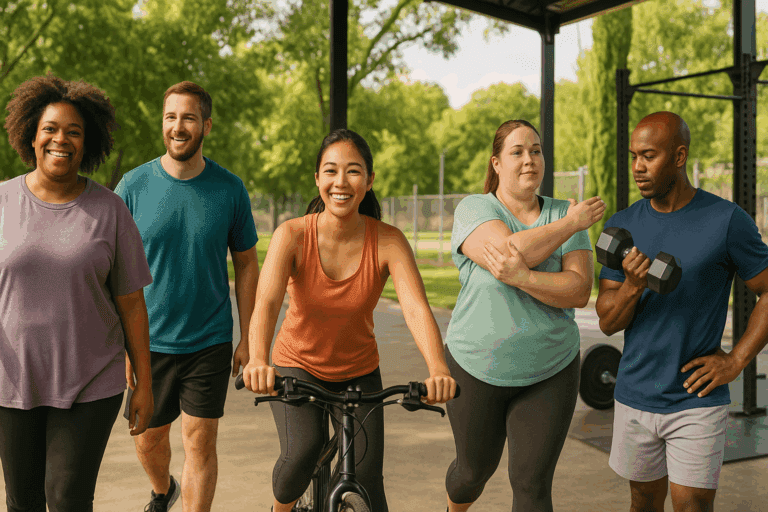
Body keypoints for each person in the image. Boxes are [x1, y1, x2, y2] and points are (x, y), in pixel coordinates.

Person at [241, 128, 457, 512]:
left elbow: (415, 308)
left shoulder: (388, 240)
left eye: (353, 171)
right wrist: (258, 359)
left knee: (367, 480)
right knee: (302, 451)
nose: (341, 182)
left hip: (358, 372)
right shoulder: (291, 235)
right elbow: (267, 301)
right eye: (331, 171)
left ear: (370, 181)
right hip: (297, 366)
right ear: (318, 179)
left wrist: (437, 367)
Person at [596, 111, 768, 511]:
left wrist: (737, 360)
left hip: (696, 397)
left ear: (679, 156)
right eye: (634, 156)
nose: (638, 167)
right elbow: (607, 321)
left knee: (691, 506)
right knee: (643, 500)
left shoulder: (726, 220)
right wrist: (633, 287)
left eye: (649, 156)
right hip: (635, 392)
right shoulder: (621, 225)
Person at [0, 75, 154, 512]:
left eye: (74, 131)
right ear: (31, 136)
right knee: (22, 500)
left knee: (66, 498)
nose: (60, 139)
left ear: (87, 144)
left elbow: (131, 303)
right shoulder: (2, 201)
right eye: (50, 128)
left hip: (89, 380)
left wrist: (145, 382)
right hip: (12, 380)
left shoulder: (110, 210)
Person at [442, 119, 606, 512]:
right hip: (476, 365)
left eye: (536, 150)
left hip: (552, 369)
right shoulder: (475, 208)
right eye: (517, 152)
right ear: (496, 163)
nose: (529, 159)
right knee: (471, 473)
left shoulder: (563, 210)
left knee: (532, 486)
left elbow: (579, 290)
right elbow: (506, 255)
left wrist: (525, 277)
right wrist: (570, 225)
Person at [114, 81, 260, 512]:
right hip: (148, 341)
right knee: (147, 439)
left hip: (208, 339)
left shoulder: (230, 189)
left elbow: (247, 264)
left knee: (199, 441)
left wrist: (248, 338)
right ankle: (163, 491)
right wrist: (124, 342)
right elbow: (114, 270)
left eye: (189, 118)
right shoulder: (133, 186)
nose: (178, 126)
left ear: (206, 126)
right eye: (170, 117)